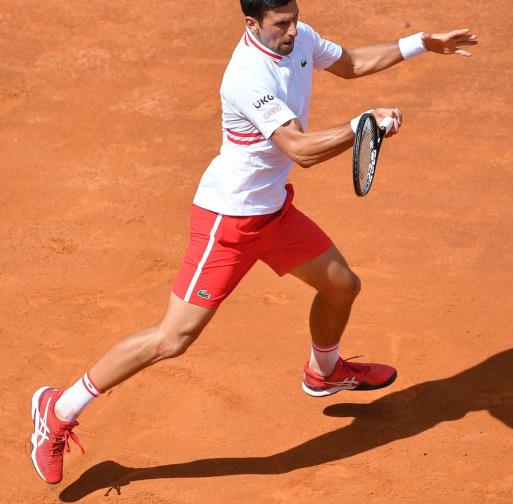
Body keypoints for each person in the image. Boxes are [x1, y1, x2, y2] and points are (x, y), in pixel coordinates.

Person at [29, 0, 477, 485]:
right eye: (280, 24)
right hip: (228, 222)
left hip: (273, 212)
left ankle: (323, 371)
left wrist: (420, 44)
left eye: (295, 18)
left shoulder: (299, 38)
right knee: (172, 338)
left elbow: (349, 63)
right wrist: (360, 126)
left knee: (342, 286)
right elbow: (300, 151)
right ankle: (58, 408)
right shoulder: (247, 77)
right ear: (252, 24)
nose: (292, 30)